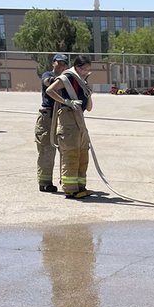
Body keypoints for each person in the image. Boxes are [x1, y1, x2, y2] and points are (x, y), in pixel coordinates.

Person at [46, 55, 95, 199]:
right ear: (77, 67)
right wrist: (66, 101)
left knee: (83, 154)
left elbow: (89, 108)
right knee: (71, 154)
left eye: (88, 70)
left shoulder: (82, 81)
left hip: (79, 120)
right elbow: (50, 90)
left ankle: (80, 187)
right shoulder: (67, 78)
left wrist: (88, 92)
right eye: (84, 69)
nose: (86, 72)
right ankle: (70, 189)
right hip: (68, 120)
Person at [36, 52, 68, 192]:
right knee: (47, 149)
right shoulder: (48, 75)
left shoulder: (66, 78)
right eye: (58, 63)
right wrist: (62, 81)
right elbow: (47, 83)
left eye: (63, 64)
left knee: (66, 149)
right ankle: (45, 182)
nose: (61, 66)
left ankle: (67, 181)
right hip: (48, 117)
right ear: (53, 63)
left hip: (62, 115)